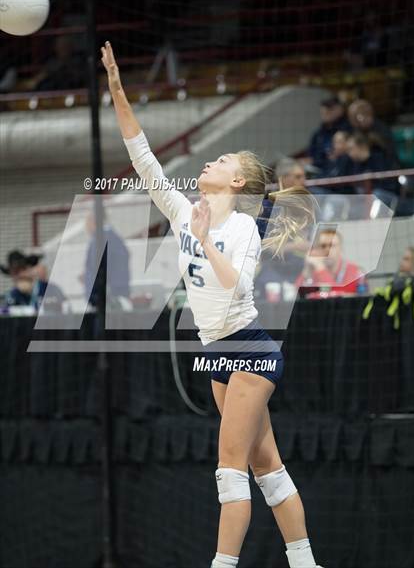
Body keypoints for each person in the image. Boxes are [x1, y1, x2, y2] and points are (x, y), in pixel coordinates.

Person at [101, 41, 324, 568]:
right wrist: (114, 84)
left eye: (221, 160)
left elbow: (236, 287)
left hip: (249, 349)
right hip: (218, 353)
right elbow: (142, 155)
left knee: (229, 469)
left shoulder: (242, 225)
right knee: (267, 468)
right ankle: (305, 562)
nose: (209, 160)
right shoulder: (183, 210)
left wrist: (202, 240)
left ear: (237, 182)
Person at [295, 228, 366, 297]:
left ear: (340, 249)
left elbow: (339, 297)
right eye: (323, 246)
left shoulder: (354, 271)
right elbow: (296, 296)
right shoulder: (314, 270)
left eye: (332, 246)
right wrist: (307, 270)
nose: (327, 251)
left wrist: (320, 269)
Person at [83, 211, 131, 307]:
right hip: (105, 294)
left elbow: (101, 265)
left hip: (108, 295)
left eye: (88, 222)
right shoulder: (105, 236)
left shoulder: (103, 236)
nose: (86, 226)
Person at [0, 250, 65, 310]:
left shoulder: (50, 290)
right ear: (12, 275)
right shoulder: (11, 296)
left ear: (31, 268)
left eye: (24, 269)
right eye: (16, 272)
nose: (21, 275)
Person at [347, 99, 399, 166]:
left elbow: (389, 155)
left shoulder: (381, 130)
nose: (353, 122)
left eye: (354, 118)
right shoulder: (358, 130)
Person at [308, 96, 351, 172]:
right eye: (324, 109)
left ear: (340, 109)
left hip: (343, 169)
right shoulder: (318, 133)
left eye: (330, 108)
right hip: (320, 170)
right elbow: (312, 154)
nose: (326, 111)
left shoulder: (349, 129)